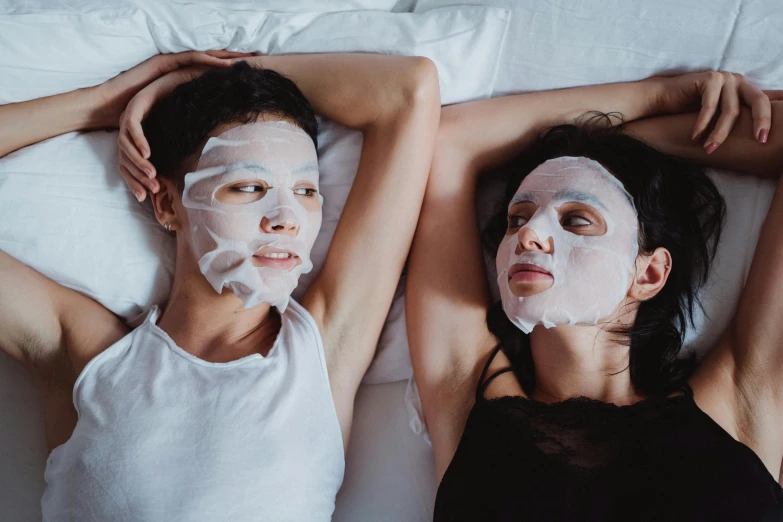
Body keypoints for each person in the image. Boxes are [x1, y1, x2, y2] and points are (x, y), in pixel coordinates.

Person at [0, 50, 440, 521]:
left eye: (306, 191)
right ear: (168, 204)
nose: (285, 219)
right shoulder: (88, 356)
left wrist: (198, 78)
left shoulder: (322, 355)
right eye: (248, 186)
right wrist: (108, 103)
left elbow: (409, 90)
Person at [406, 72, 783, 520]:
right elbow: (448, 143)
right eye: (517, 218)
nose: (528, 232)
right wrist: (656, 96)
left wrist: (608, 144)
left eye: (576, 220)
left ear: (648, 273)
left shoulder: (742, 398)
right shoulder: (464, 390)